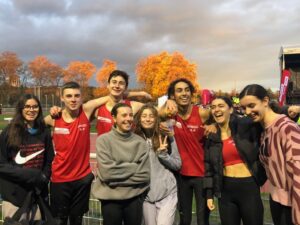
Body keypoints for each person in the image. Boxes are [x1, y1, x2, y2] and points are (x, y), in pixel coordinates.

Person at [44, 81, 111, 225]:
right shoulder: (54, 118)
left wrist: (139, 93)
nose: (73, 99)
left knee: (77, 220)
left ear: (81, 97)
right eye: (69, 96)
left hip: (82, 179)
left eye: (76, 96)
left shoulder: (85, 111)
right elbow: (34, 128)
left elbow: (112, 95)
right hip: (59, 179)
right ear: (62, 98)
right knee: (58, 221)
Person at [239, 84, 300, 225]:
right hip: (276, 200)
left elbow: (298, 172)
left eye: (251, 105)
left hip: (291, 204)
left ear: (265, 101)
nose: (247, 111)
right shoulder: (264, 128)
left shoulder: (287, 128)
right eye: (244, 108)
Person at [204, 96, 266, 225]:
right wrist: (209, 195)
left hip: (248, 187)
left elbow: (267, 116)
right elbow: (209, 168)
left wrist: (290, 109)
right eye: (213, 107)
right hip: (225, 191)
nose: (216, 110)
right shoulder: (212, 136)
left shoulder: (246, 126)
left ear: (231, 109)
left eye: (221, 106)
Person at [92, 103, 150, 225]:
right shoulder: (103, 141)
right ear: (114, 118)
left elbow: (144, 175)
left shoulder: (140, 142)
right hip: (110, 200)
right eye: (124, 115)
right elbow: (107, 173)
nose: (128, 119)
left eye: (130, 115)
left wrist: (114, 177)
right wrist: (134, 166)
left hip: (134, 199)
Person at [0, 94, 54, 219]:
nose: (31, 110)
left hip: (37, 195)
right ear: (21, 109)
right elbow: (1, 164)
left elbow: (49, 159)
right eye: (27, 106)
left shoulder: (44, 131)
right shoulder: (9, 132)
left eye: (35, 107)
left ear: (39, 109)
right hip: (14, 197)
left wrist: (44, 177)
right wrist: (29, 175)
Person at [166, 78, 212, 225]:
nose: (184, 93)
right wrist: (166, 102)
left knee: (202, 220)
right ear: (173, 96)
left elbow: (219, 124)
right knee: (184, 219)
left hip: (202, 174)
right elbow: (152, 114)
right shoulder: (169, 114)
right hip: (181, 175)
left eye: (187, 90)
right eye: (179, 90)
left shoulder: (203, 113)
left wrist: (214, 127)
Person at [134, 103, 182, 225]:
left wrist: (163, 155)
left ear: (156, 119)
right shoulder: (134, 140)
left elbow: (177, 164)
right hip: (146, 196)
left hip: (167, 194)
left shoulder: (166, 136)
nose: (148, 119)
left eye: (151, 116)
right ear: (139, 119)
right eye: (144, 116)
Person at [95, 70, 151, 136]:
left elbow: (156, 111)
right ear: (108, 85)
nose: (117, 86)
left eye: (121, 83)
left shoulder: (133, 106)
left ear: (125, 87)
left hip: (127, 146)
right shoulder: (97, 109)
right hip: (104, 146)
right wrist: (141, 93)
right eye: (114, 82)